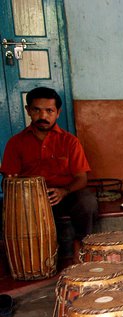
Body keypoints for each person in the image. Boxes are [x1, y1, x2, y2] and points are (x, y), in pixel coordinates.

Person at [1, 87, 98, 263]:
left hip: (64, 196)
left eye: (49, 111)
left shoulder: (70, 141)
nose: (43, 116)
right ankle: (28, 257)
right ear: (28, 110)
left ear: (58, 113)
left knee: (87, 202)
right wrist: (22, 190)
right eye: (36, 110)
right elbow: (9, 180)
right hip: (30, 200)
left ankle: (80, 244)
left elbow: (81, 178)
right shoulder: (16, 143)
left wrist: (64, 191)